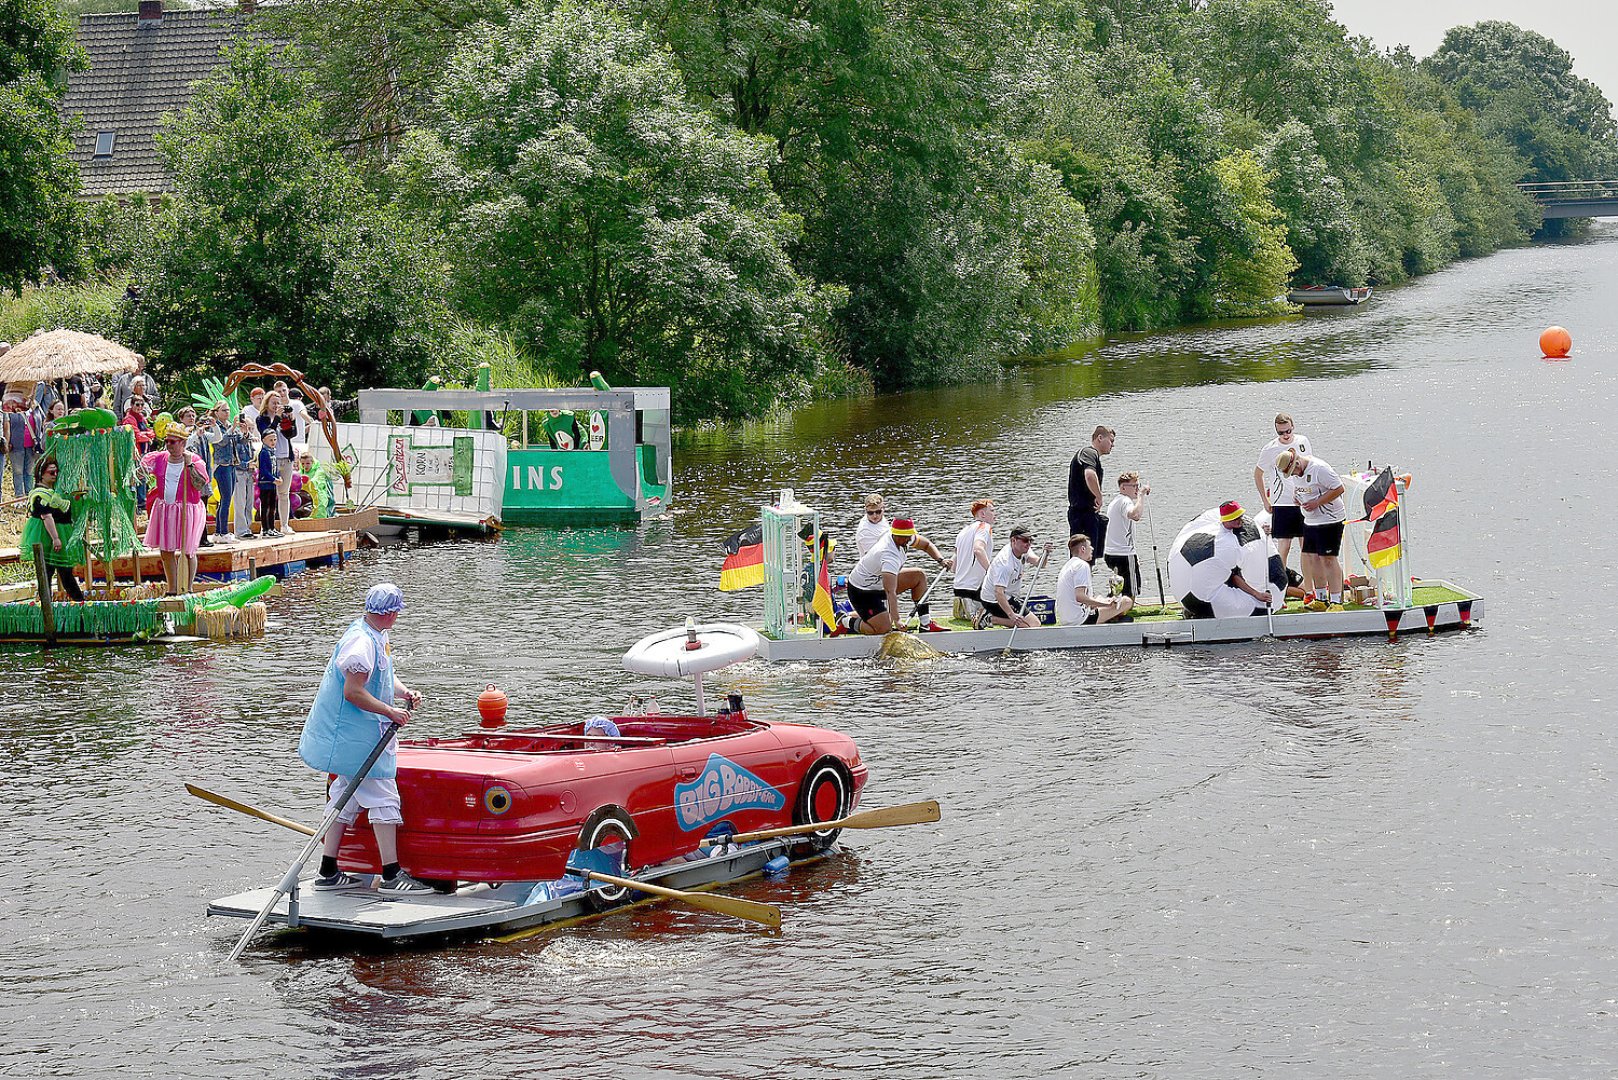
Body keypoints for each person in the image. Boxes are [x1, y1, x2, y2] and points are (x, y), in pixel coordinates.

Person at [298, 582, 435, 896]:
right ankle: (391, 875)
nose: (398, 616)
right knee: (384, 797)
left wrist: (404, 693)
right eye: (397, 611)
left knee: (344, 796)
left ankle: (328, 870)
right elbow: (353, 691)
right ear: (388, 613)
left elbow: (383, 674)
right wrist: (391, 712)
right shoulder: (360, 641)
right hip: (357, 739)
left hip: (359, 739)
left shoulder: (377, 634)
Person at [833, 517, 952, 636]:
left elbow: (926, 545)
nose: (908, 539)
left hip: (878, 583)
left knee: (918, 576)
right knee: (884, 629)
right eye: (905, 537)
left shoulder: (904, 537)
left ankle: (926, 625)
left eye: (910, 535)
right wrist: (898, 621)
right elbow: (890, 592)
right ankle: (845, 620)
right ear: (895, 534)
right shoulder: (888, 555)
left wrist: (941, 560)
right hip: (861, 591)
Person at [141, 424, 210, 595]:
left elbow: (200, 484)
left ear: (183, 443)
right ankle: (172, 589)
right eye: (167, 442)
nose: (169, 445)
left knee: (187, 551)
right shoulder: (159, 458)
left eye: (173, 442)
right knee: (166, 551)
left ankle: (187, 588)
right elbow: (140, 473)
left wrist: (190, 466)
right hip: (166, 509)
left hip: (188, 509)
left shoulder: (195, 460)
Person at [1275, 449, 1347, 610]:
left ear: (1297, 463)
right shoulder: (1296, 474)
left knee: (1328, 558)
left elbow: (1339, 489)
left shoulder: (1320, 469)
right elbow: (1301, 488)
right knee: (1312, 558)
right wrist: (1297, 497)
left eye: (1293, 471)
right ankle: (1321, 599)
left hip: (1330, 519)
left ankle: (1337, 601)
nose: (1294, 475)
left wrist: (1317, 502)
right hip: (1310, 520)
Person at [1253, 414, 1312, 594]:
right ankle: (1280, 589)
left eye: (1288, 431)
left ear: (1293, 427)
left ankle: (1310, 590)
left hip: (1303, 501)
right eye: (1281, 432)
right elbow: (1258, 474)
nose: (1286, 435)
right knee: (1284, 547)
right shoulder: (1270, 449)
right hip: (1282, 502)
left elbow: (1310, 467)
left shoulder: (1303, 441)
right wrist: (1265, 500)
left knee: (1306, 547)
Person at [21, 456, 85, 601]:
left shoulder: (54, 492)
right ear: (41, 474)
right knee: (47, 575)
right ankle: (48, 610)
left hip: (61, 532)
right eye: (51, 473)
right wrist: (55, 538)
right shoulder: (39, 494)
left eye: (56, 472)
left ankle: (80, 606)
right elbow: (46, 516)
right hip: (47, 535)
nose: (55, 475)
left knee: (65, 574)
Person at [977, 525, 1050, 629]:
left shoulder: (1023, 550)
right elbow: (998, 592)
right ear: (1013, 540)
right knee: (1033, 626)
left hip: (1009, 595)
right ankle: (990, 618)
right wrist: (1011, 615)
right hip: (993, 600)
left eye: (1030, 540)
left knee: (1032, 624)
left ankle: (995, 618)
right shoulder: (1005, 563)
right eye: (1025, 540)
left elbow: (1040, 564)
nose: (1028, 543)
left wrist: (1045, 554)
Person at [1056, 535, 1132, 625]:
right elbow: (1079, 597)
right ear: (1083, 549)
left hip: (1067, 619)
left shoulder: (1068, 565)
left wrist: (1100, 602)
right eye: (1090, 546)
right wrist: (1106, 604)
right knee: (1127, 601)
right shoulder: (1082, 565)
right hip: (1080, 620)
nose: (1092, 549)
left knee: (1100, 598)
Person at [1066, 426, 1114, 559]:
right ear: (1100, 438)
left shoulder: (1093, 457)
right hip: (1081, 514)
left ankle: (1088, 576)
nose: (1113, 445)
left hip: (1088, 514)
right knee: (1081, 558)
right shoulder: (1088, 452)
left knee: (1090, 557)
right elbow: (1089, 475)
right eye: (1111, 441)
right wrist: (1099, 496)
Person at [1103, 472, 1149, 598]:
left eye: (1137, 485)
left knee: (1118, 589)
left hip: (1111, 553)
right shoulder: (1125, 501)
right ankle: (1119, 612)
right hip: (1123, 553)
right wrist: (1141, 495)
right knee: (1130, 592)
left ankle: (1109, 608)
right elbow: (1135, 515)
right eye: (1134, 486)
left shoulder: (1115, 502)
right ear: (1123, 487)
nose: (1137, 489)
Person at [951, 498, 996, 620]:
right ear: (982, 514)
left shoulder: (963, 532)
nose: (995, 515)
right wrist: (992, 572)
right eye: (992, 511)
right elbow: (978, 550)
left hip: (959, 592)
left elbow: (953, 567)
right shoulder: (984, 527)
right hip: (973, 593)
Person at [256, 393, 297, 529]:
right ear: (266, 403)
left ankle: (285, 525)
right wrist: (277, 419)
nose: (276, 406)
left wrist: (292, 421)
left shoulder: (283, 417)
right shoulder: (262, 419)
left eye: (278, 403)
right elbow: (266, 433)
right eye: (273, 403)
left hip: (286, 458)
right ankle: (266, 527)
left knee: (284, 493)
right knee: (269, 495)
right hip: (272, 459)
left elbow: (292, 434)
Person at [230, 412, 259, 540]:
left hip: (249, 473)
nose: (249, 430)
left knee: (249, 502)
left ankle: (247, 527)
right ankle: (240, 530)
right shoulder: (236, 438)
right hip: (239, 472)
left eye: (252, 428)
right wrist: (248, 465)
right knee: (240, 502)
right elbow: (234, 458)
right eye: (247, 426)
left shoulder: (250, 440)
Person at [256, 428, 284, 537]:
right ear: (263, 440)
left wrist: (278, 477)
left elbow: (275, 468)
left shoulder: (273, 452)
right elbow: (264, 470)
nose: (273, 442)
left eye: (274, 439)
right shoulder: (263, 452)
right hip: (265, 483)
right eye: (270, 440)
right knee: (265, 506)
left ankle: (272, 527)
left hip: (272, 484)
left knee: (273, 506)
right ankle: (265, 529)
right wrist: (273, 479)